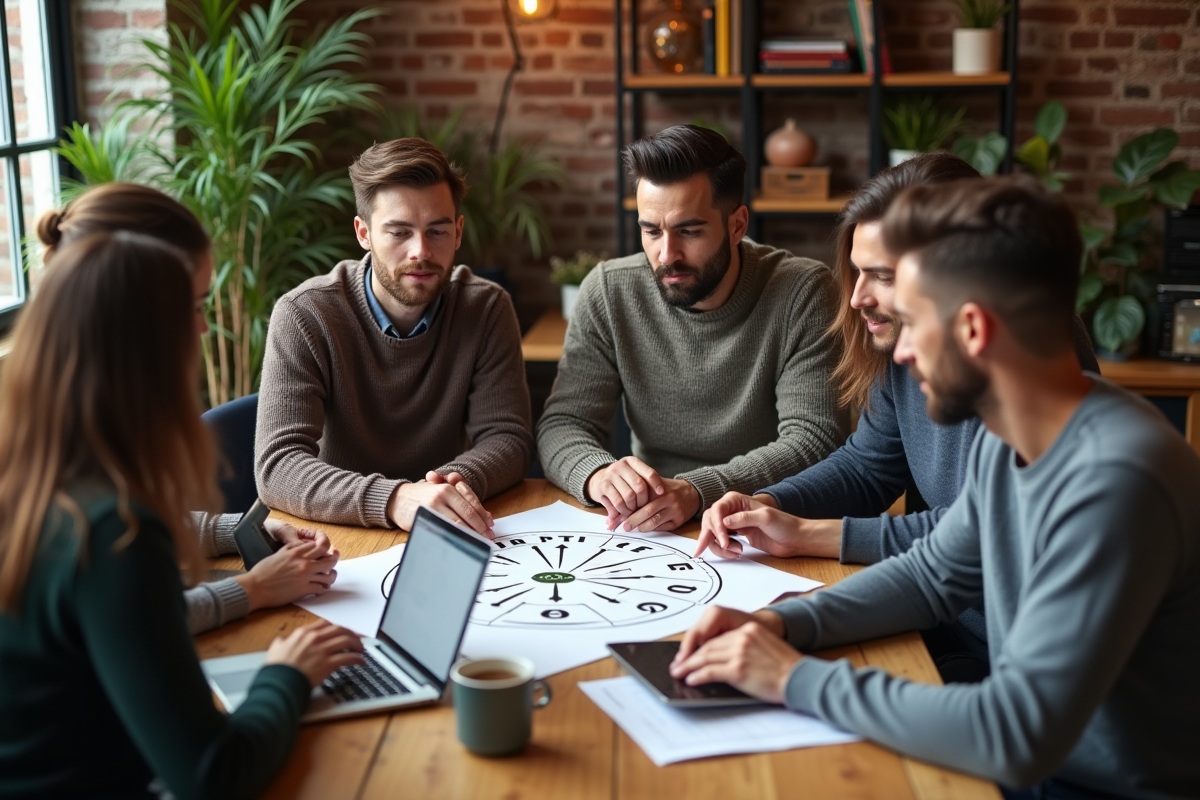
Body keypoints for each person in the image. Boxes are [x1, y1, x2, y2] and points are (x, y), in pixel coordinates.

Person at [670, 176, 1200, 799]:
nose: (900, 355)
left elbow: (1014, 734)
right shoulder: (1016, 437)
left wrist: (791, 679)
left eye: (914, 322)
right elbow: (932, 575)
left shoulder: (1116, 481)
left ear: (972, 330)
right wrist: (778, 626)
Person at [693, 154, 1099, 682]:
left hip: (987, 651)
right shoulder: (907, 343)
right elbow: (873, 473)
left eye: (882, 277)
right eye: (858, 271)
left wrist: (811, 538)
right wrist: (772, 506)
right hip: (937, 621)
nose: (858, 298)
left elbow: (967, 543)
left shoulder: (1038, 385)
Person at [0, 231, 364, 799]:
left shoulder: (31, 468)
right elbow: (213, 776)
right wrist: (286, 675)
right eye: (192, 309)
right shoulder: (116, 530)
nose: (202, 328)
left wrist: (233, 544)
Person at [36, 182, 338, 634]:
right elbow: (137, 622)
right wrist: (254, 590)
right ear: (135, 311)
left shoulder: (85, 404)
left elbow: (136, 528)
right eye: (193, 305)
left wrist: (241, 530)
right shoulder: (70, 447)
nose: (201, 327)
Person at [536, 124, 847, 533]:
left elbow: (815, 439)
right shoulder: (610, 290)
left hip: (764, 523)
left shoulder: (803, 291)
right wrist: (599, 475)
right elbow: (563, 423)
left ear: (737, 225)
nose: (667, 254)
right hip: (651, 523)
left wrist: (696, 491)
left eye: (689, 231)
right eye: (651, 231)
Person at [255, 138, 533, 534]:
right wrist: (397, 498)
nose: (420, 251)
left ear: (457, 232)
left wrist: (442, 489)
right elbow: (278, 466)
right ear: (363, 233)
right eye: (399, 233)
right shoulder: (305, 314)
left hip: (444, 524)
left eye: (436, 231)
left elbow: (508, 438)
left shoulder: (486, 307)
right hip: (340, 532)